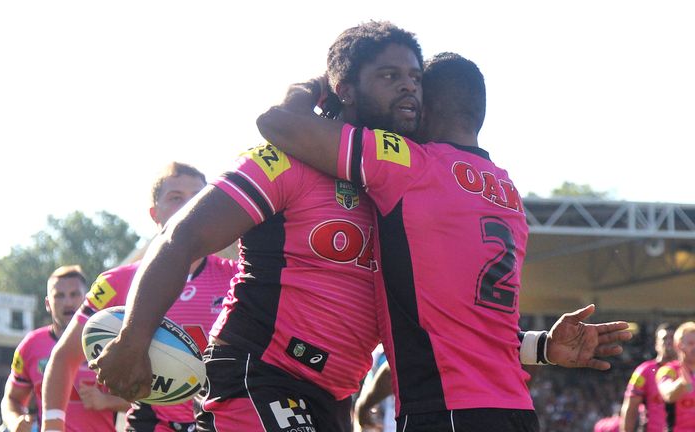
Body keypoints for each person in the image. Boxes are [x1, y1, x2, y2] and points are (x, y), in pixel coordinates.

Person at [93, 22, 630, 432]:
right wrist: (134, 336)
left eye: (416, 79)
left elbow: (441, 324)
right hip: (261, 373)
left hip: (334, 396)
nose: (409, 91)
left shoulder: (409, 181)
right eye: (390, 76)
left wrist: (537, 345)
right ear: (344, 89)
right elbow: (182, 237)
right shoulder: (286, 160)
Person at [256, 38, 632, 430]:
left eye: (414, 90)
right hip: (516, 413)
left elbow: (276, 123)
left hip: (444, 412)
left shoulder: (408, 164)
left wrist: (320, 85)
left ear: (426, 106)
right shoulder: (508, 194)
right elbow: (464, 323)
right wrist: (544, 346)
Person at [41, 162, 237, 432]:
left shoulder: (239, 276)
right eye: (176, 198)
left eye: (199, 197)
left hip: (223, 424)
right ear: (154, 213)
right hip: (152, 425)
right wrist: (52, 424)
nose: (190, 206)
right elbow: (64, 356)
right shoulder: (116, 282)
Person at [1, 265, 125, 432]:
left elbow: (147, 401)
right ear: (47, 303)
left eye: (74, 294)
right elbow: (11, 399)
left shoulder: (110, 341)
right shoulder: (31, 345)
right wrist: (14, 420)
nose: (68, 302)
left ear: (88, 299)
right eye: (59, 296)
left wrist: (105, 401)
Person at [620, 323, 677, 432]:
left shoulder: (687, 372)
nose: (669, 342)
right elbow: (630, 408)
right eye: (664, 338)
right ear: (657, 344)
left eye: (672, 338)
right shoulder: (644, 371)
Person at [656, 321, 695, 431]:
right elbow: (668, 394)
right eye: (691, 343)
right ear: (678, 345)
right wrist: (683, 382)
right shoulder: (667, 371)